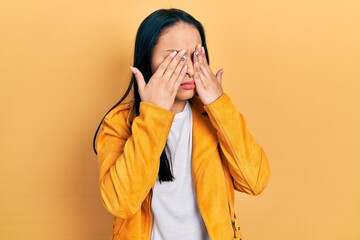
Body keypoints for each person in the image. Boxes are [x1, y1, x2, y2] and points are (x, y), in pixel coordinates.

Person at [93, 8, 270, 240]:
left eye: (195, 55)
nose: (188, 69)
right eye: (175, 57)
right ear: (147, 61)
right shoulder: (119, 123)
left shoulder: (212, 117)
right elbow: (120, 203)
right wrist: (154, 115)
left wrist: (219, 104)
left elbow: (255, 182)